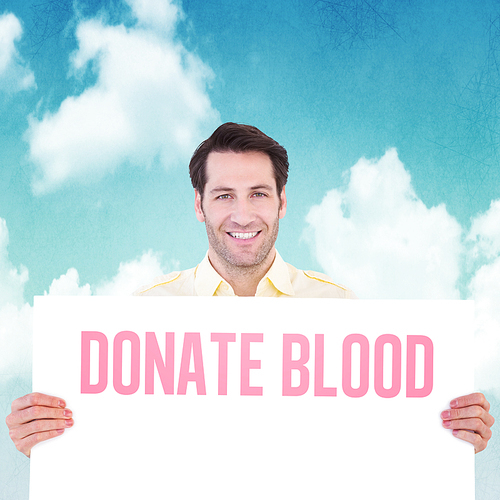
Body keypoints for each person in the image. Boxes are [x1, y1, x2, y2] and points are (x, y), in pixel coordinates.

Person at [6, 122, 494, 457]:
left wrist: (449, 438)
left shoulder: (341, 312)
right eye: (223, 196)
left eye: (258, 193)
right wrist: (44, 442)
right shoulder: (143, 316)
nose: (242, 215)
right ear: (199, 205)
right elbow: (107, 450)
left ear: (282, 202)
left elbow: (379, 442)